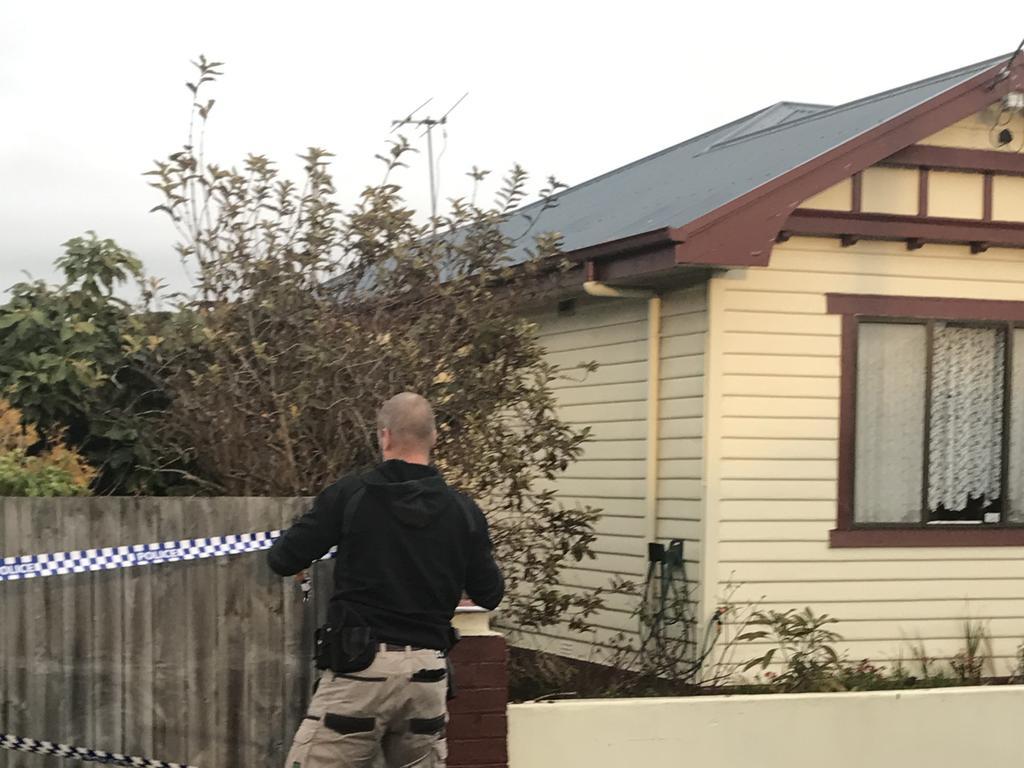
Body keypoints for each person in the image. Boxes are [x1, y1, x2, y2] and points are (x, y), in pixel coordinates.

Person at [269, 392, 504, 768]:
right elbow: (490, 594)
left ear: (385, 436)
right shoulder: (464, 511)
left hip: (361, 673)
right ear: (434, 438)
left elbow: (282, 559)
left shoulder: (351, 495)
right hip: (427, 678)